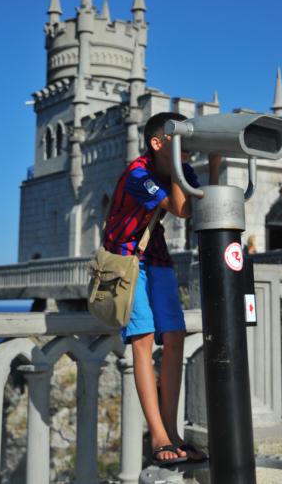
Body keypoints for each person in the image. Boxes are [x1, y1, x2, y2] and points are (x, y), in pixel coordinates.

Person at [103, 112, 220, 467]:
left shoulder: (181, 170)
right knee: (143, 338)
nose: (186, 150)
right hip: (125, 260)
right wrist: (180, 170)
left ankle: (173, 431)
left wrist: (215, 164)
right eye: (177, 140)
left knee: (175, 337)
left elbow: (203, 205)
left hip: (156, 256)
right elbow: (182, 208)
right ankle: (158, 435)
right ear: (157, 143)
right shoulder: (137, 173)